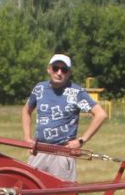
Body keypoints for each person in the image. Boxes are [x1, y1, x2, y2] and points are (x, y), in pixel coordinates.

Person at [22, 53, 106, 182]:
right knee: (31, 193)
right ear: (49, 69)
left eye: (64, 70)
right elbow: (26, 110)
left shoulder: (76, 92)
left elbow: (100, 114)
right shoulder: (40, 88)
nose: (59, 73)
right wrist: (27, 138)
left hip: (62, 153)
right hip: (39, 151)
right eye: (56, 68)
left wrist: (81, 141)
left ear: (69, 73)